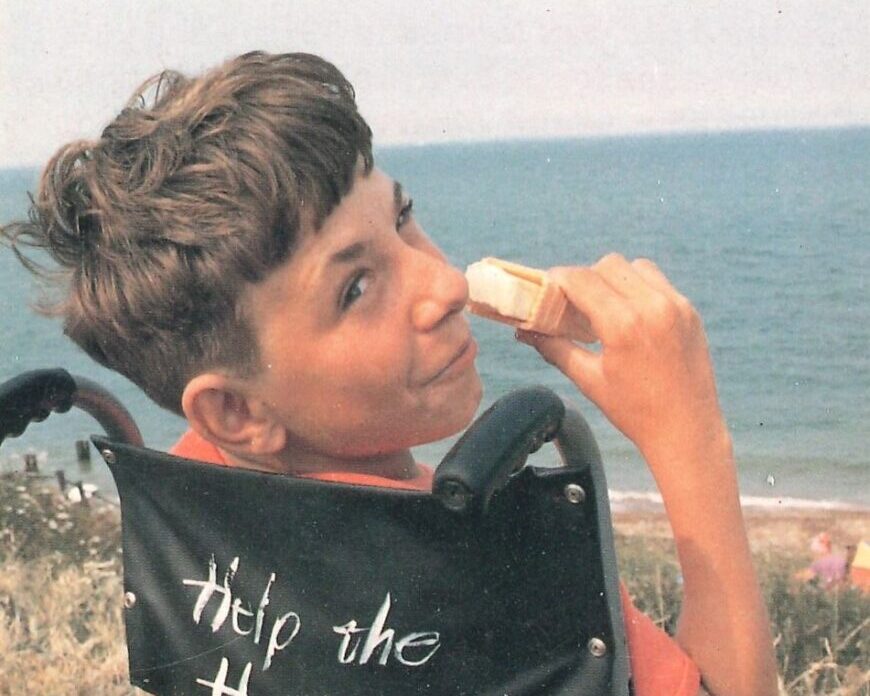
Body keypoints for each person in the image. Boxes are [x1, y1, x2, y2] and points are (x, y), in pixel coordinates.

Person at [1, 51, 777, 696]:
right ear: (237, 412)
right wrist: (690, 436)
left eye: (402, 218)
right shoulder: (496, 581)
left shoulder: (197, 496)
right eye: (357, 288)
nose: (445, 287)